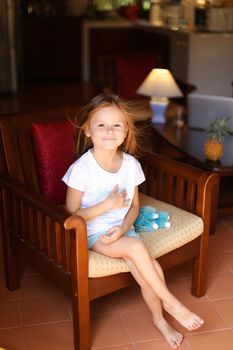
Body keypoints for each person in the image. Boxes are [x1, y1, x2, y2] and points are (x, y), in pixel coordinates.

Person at [62, 93, 204, 349]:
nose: (109, 131)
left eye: (117, 125)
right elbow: (72, 215)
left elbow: (135, 205)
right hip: (95, 235)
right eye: (101, 125)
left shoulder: (130, 165)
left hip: (122, 232)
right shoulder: (81, 169)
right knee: (138, 249)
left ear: (126, 130)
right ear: (87, 131)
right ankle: (172, 303)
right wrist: (107, 205)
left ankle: (160, 320)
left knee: (152, 270)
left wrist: (124, 228)